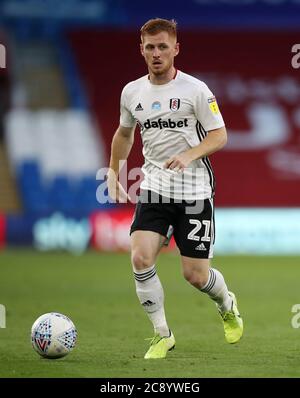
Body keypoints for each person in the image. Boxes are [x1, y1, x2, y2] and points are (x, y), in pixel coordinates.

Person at [107, 18, 243, 359]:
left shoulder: (196, 90)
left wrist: (189, 154)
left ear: (175, 49)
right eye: (150, 47)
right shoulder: (132, 92)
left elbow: (219, 135)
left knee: (195, 275)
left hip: (195, 191)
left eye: (162, 46)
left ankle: (227, 303)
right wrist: (113, 173)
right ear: (141, 49)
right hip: (154, 188)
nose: (156, 53)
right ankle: (161, 334)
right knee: (140, 256)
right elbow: (124, 134)